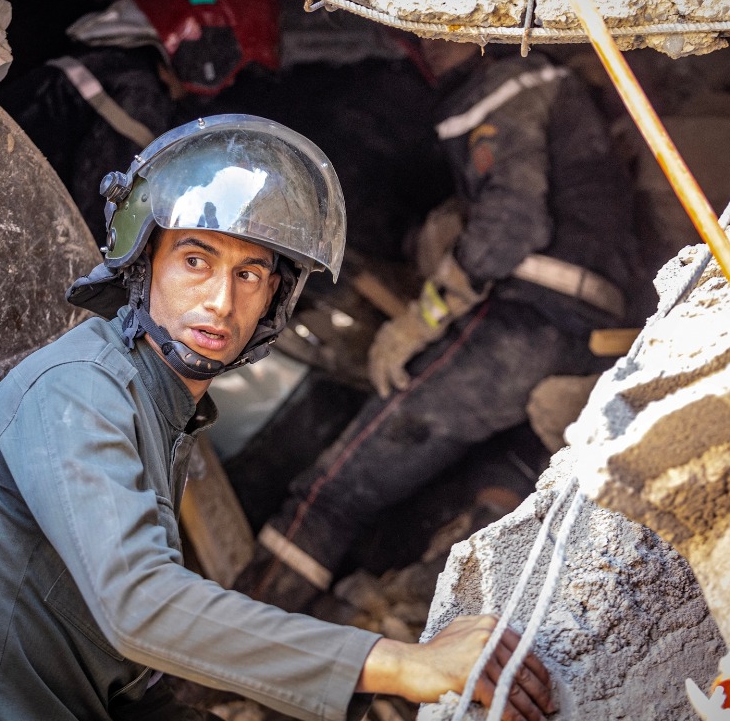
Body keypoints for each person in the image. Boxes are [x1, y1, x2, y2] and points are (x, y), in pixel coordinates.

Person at [0, 115, 556, 721]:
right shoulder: (78, 391)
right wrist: (401, 664)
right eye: (195, 260)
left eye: (250, 274)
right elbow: (138, 605)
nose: (220, 300)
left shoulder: (158, 400)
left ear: (275, 301)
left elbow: (98, 628)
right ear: (143, 261)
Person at [237, 40, 644, 613]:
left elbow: (508, 226)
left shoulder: (505, 87)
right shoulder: (567, 98)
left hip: (523, 324)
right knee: (500, 488)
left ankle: (228, 665)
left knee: (332, 495)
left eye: (430, 34)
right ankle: (403, 626)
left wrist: (421, 317)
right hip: (593, 342)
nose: (427, 48)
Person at [0, 0, 281, 246]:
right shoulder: (133, 90)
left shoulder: (97, 64)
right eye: (229, 63)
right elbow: (107, 240)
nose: (227, 83)